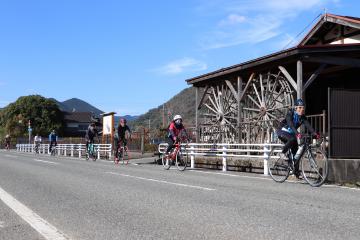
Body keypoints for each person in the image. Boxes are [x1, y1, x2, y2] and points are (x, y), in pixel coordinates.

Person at [276, 99, 320, 177]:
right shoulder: (290, 113)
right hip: (282, 131)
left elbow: (309, 126)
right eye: (299, 107)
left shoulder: (302, 117)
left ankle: (296, 173)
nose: (301, 109)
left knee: (296, 154)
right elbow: (290, 125)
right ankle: (282, 153)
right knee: (292, 139)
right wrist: (297, 133)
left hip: (292, 133)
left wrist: (315, 134)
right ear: (295, 108)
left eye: (303, 108)